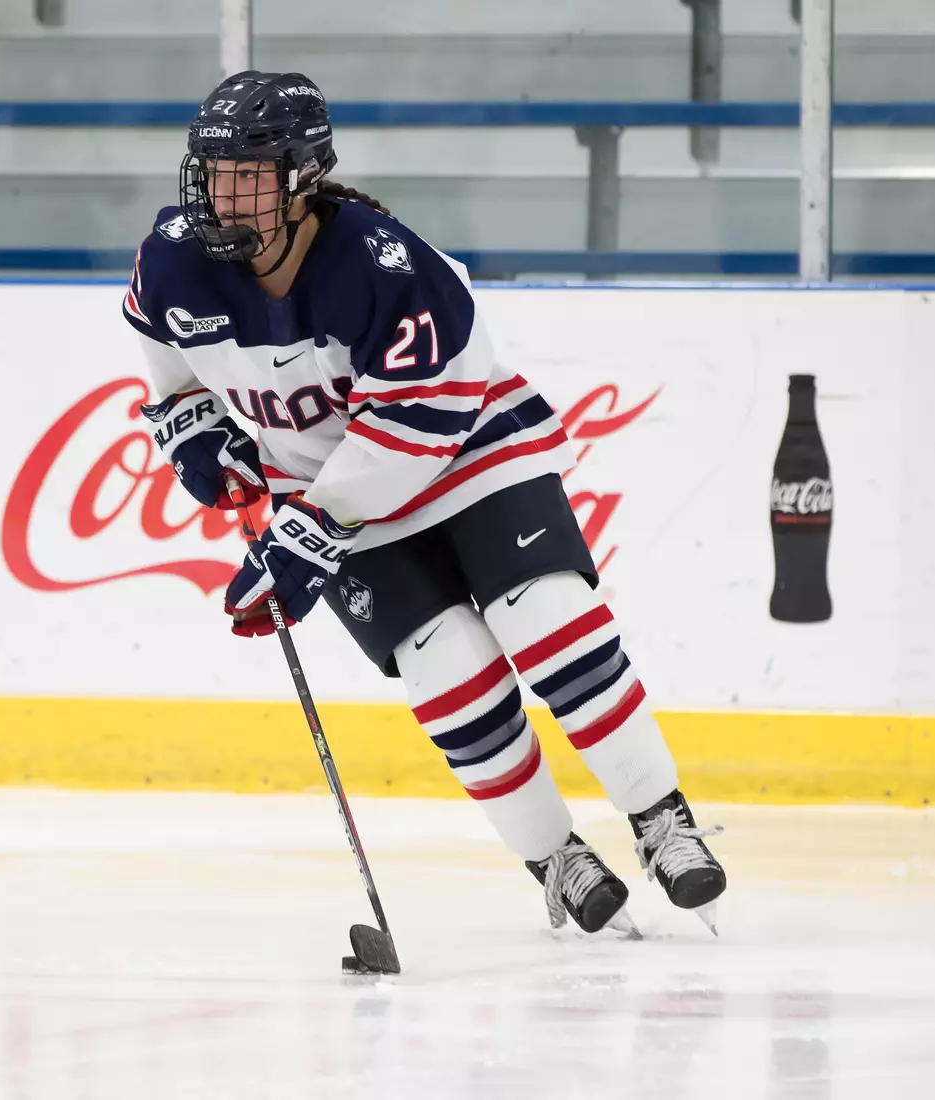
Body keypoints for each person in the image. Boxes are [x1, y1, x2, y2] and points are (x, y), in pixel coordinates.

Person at [124, 71, 726, 935]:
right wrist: (190, 429)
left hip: (469, 456)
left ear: (303, 178)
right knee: (445, 666)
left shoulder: (385, 267)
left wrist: (310, 533)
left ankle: (661, 819)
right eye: (216, 173)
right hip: (328, 491)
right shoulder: (174, 260)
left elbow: (416, 431)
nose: (226, 196)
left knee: (549, 620)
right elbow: (168, 356)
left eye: (250, 175)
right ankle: (555, 857)